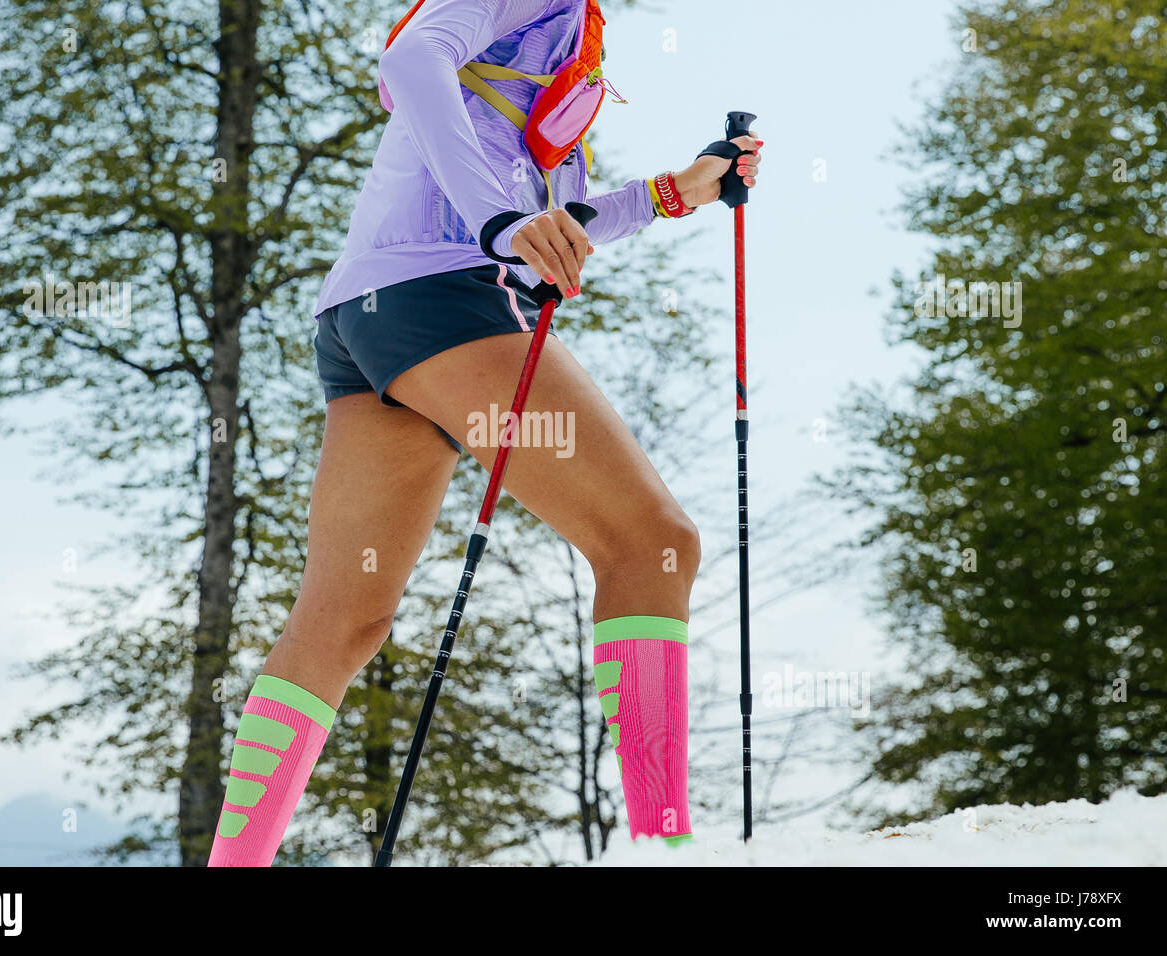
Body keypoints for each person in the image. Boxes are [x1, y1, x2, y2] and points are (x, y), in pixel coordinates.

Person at [208, 0, 762, 866]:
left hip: (372, 314)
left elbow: (559, 225)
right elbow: (413, 58)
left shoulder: (572, 33)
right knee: (651, 544)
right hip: (445, 297)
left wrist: (677, 191)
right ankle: (666, 850)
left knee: (344, 619)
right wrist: (496, 222)